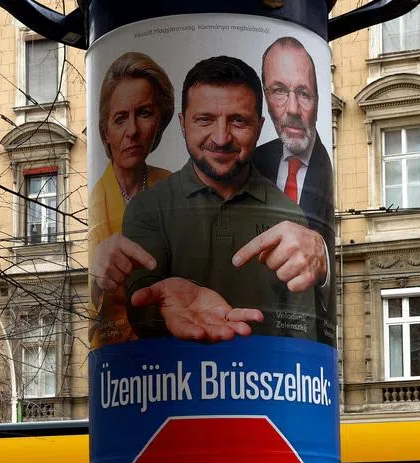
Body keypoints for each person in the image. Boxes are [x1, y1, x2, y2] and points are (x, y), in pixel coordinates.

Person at [122, 55, 333, 344]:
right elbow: (137, 309)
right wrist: (161, 307)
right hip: (174, 382)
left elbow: (302, 336)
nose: (221, 138)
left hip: (262, 385)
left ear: (259, 128)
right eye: (205, 120)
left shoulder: (290, 218)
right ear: (183, 124)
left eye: (238, 121)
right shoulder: (145, 210)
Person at [88, 52, 175, 348]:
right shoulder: (94, 201)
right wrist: (96, 277)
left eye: (144, 113)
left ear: (160, 121)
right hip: (122, 368)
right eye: (120, 118)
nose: (133, 131)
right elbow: (89, 319)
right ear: (105, 131)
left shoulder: (174, 186)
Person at [253, 37, 334, 254]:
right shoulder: (253, 161)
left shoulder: (330, 168)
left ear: (317, 98)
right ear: (265, 95)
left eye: (303, 93)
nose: (293, 110)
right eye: (279, 91)